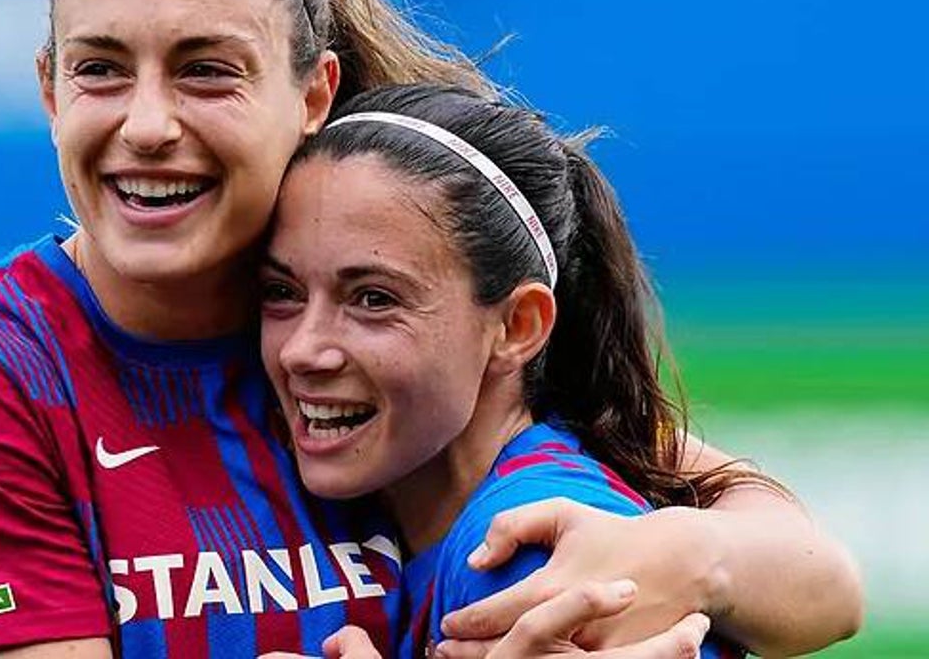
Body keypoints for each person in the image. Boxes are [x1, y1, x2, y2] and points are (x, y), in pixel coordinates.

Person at [0, 0, 863, 659]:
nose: (148, 122)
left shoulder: (392, 310)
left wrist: (687, 555)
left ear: (313, 92)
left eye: (208, 69)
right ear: (47, 88)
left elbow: (821, 580)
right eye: (101, 69)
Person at [255, 82, 837, 657]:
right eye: (282, 291)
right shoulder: (554, 456)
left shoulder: (521, 556)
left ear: (517, 327)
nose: (303, 350)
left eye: (374, 299)